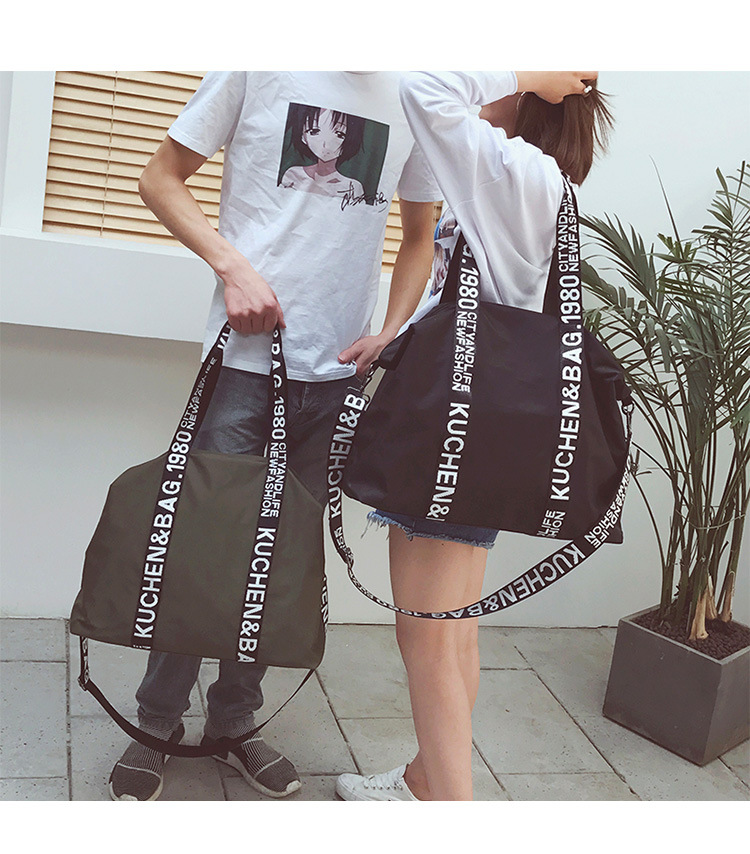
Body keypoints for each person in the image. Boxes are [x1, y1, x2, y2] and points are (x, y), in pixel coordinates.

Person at [108, 71, 442, 801]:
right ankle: (156, 722)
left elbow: (421, 234)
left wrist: (391, 330)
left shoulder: (413, 92)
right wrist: (233, 267)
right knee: (202, 545)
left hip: (336, 373)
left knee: (279, 552)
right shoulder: (257, 61)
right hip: (242, 363)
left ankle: (234, 722)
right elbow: (159, 178)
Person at [335, 71, 613, 801]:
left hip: (451, 439)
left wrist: (528, 72)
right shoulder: (529, 176)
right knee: (452, 631)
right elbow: (467, 291)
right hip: (469, 428)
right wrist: (395, 334)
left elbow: (427, 89)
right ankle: (425, 782)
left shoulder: (513, 169)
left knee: (426, 636)